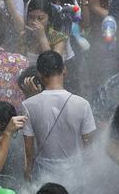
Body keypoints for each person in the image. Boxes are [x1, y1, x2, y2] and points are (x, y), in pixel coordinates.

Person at [21, 50, 96, 185]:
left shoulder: (28, 105)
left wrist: (28, 175)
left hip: (44, 178)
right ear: (65, 70)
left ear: (39, 74)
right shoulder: (82, 104)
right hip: (74, 176)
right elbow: (89, 150)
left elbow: (29, 152)